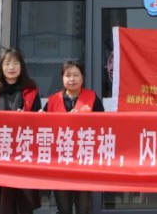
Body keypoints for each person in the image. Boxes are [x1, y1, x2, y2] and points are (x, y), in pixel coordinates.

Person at [0, 48, 42, 214]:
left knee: (22, 203)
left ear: (22, 66)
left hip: (23, 153)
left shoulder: (31, 91)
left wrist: (27, 118)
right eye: (7, 63)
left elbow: (39, 122)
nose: (11, 67)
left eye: (15, 63)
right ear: (1, 67)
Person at [43, 61, 104, 214]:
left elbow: (103, 125)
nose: (72, 79)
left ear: (82, 77)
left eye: (76, 75)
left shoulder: (92, 98)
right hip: (59, 162)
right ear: (62, 78)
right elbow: (42, 127)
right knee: (64, 209)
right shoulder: (53, 101)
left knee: (83, 208)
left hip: (83, 161)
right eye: (68, 75)